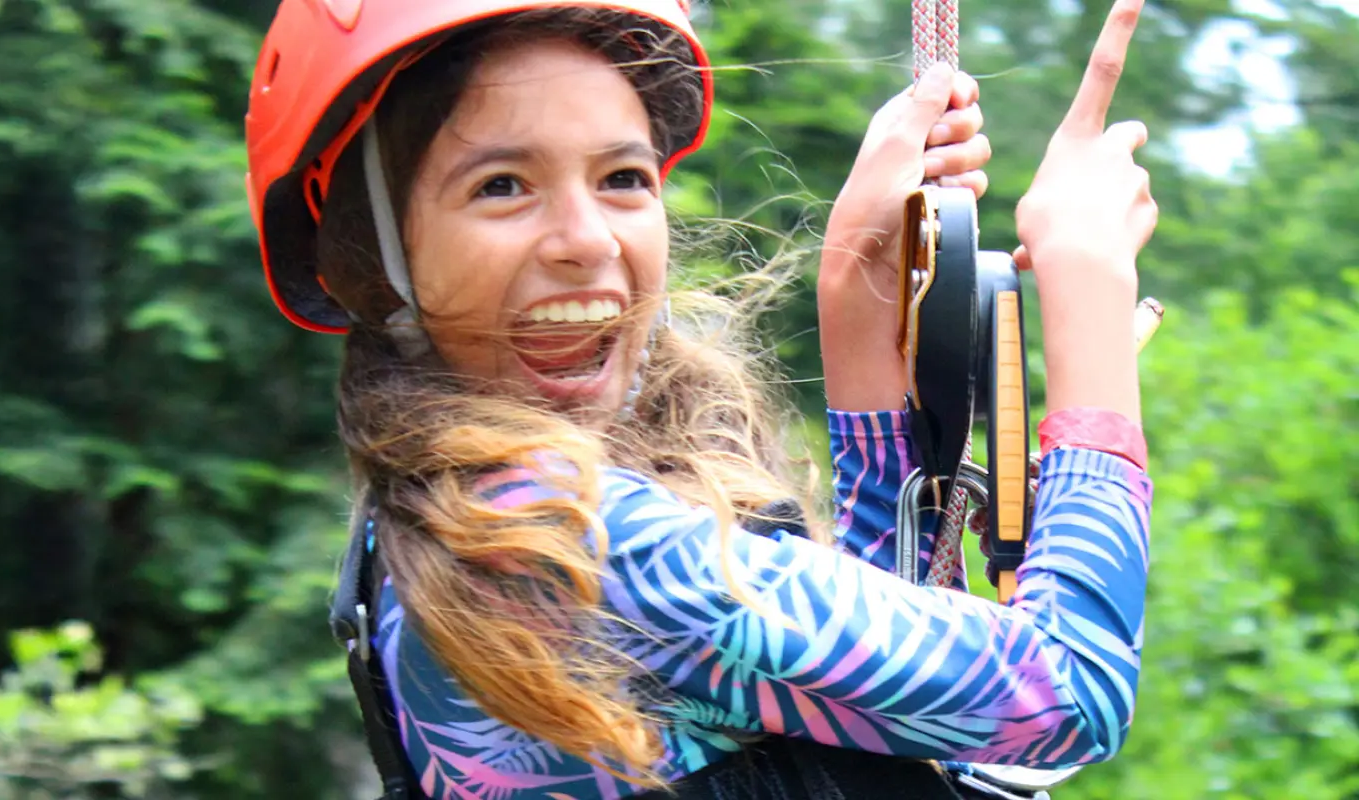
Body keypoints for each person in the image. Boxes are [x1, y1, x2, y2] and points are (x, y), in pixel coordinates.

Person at [243, 0, 1157, 797]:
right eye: (502, 186)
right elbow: (1066, 692)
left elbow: (881, 693)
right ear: (378, 255)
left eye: (623, 179)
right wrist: (1089, 293)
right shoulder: (570, 538)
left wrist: (854, 302)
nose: (587, 240)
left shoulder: (431, 518)